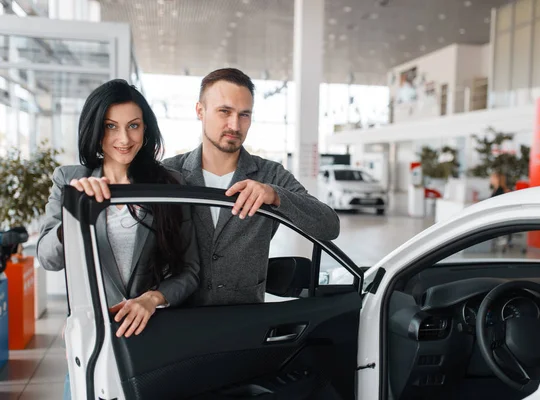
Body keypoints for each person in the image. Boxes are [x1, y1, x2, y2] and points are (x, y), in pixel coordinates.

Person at [35, 79, 201, 399]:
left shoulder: (169, 185)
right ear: (96, 129)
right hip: (92, 344)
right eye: (111, 126)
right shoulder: (70, 180)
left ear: (145, 130)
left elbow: (190, 271)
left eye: (133, 126)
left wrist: (153, 298)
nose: (123, 139)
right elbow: (47, 257)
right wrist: (76, 213)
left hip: (150, 341)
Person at [162, 67, 340, 306]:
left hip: (245, 323)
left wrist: (276, 195)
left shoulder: (270, 174)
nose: (235, 125)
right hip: (178, 321)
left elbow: (329, 225)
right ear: (200, 111)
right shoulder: (169, 173)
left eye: (244, 114)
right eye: (224, 111)